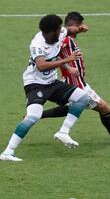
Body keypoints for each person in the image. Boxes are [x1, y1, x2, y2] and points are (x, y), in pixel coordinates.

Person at [0, 15, 90, 161]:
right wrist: (68, 60)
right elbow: (41, 66)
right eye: (58, 29)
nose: (61, 31)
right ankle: (8, 152)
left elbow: (70, 29)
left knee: (83, 98)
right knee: (33, 117)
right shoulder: (37, 44)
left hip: (52, 82)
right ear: (50, 32)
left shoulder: (59, 32)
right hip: (35, 84)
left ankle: (63, 132)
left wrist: (80, 29)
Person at [40, 11, 110, 146]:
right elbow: (53, 54)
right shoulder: (64, 40)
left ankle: (38, 115)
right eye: (80, 24)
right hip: (75, 82)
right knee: (104, 108)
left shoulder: (68, 37)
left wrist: (79, 31)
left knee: (72, 107)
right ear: (73, 24)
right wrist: (68, 67)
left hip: (77, 81)